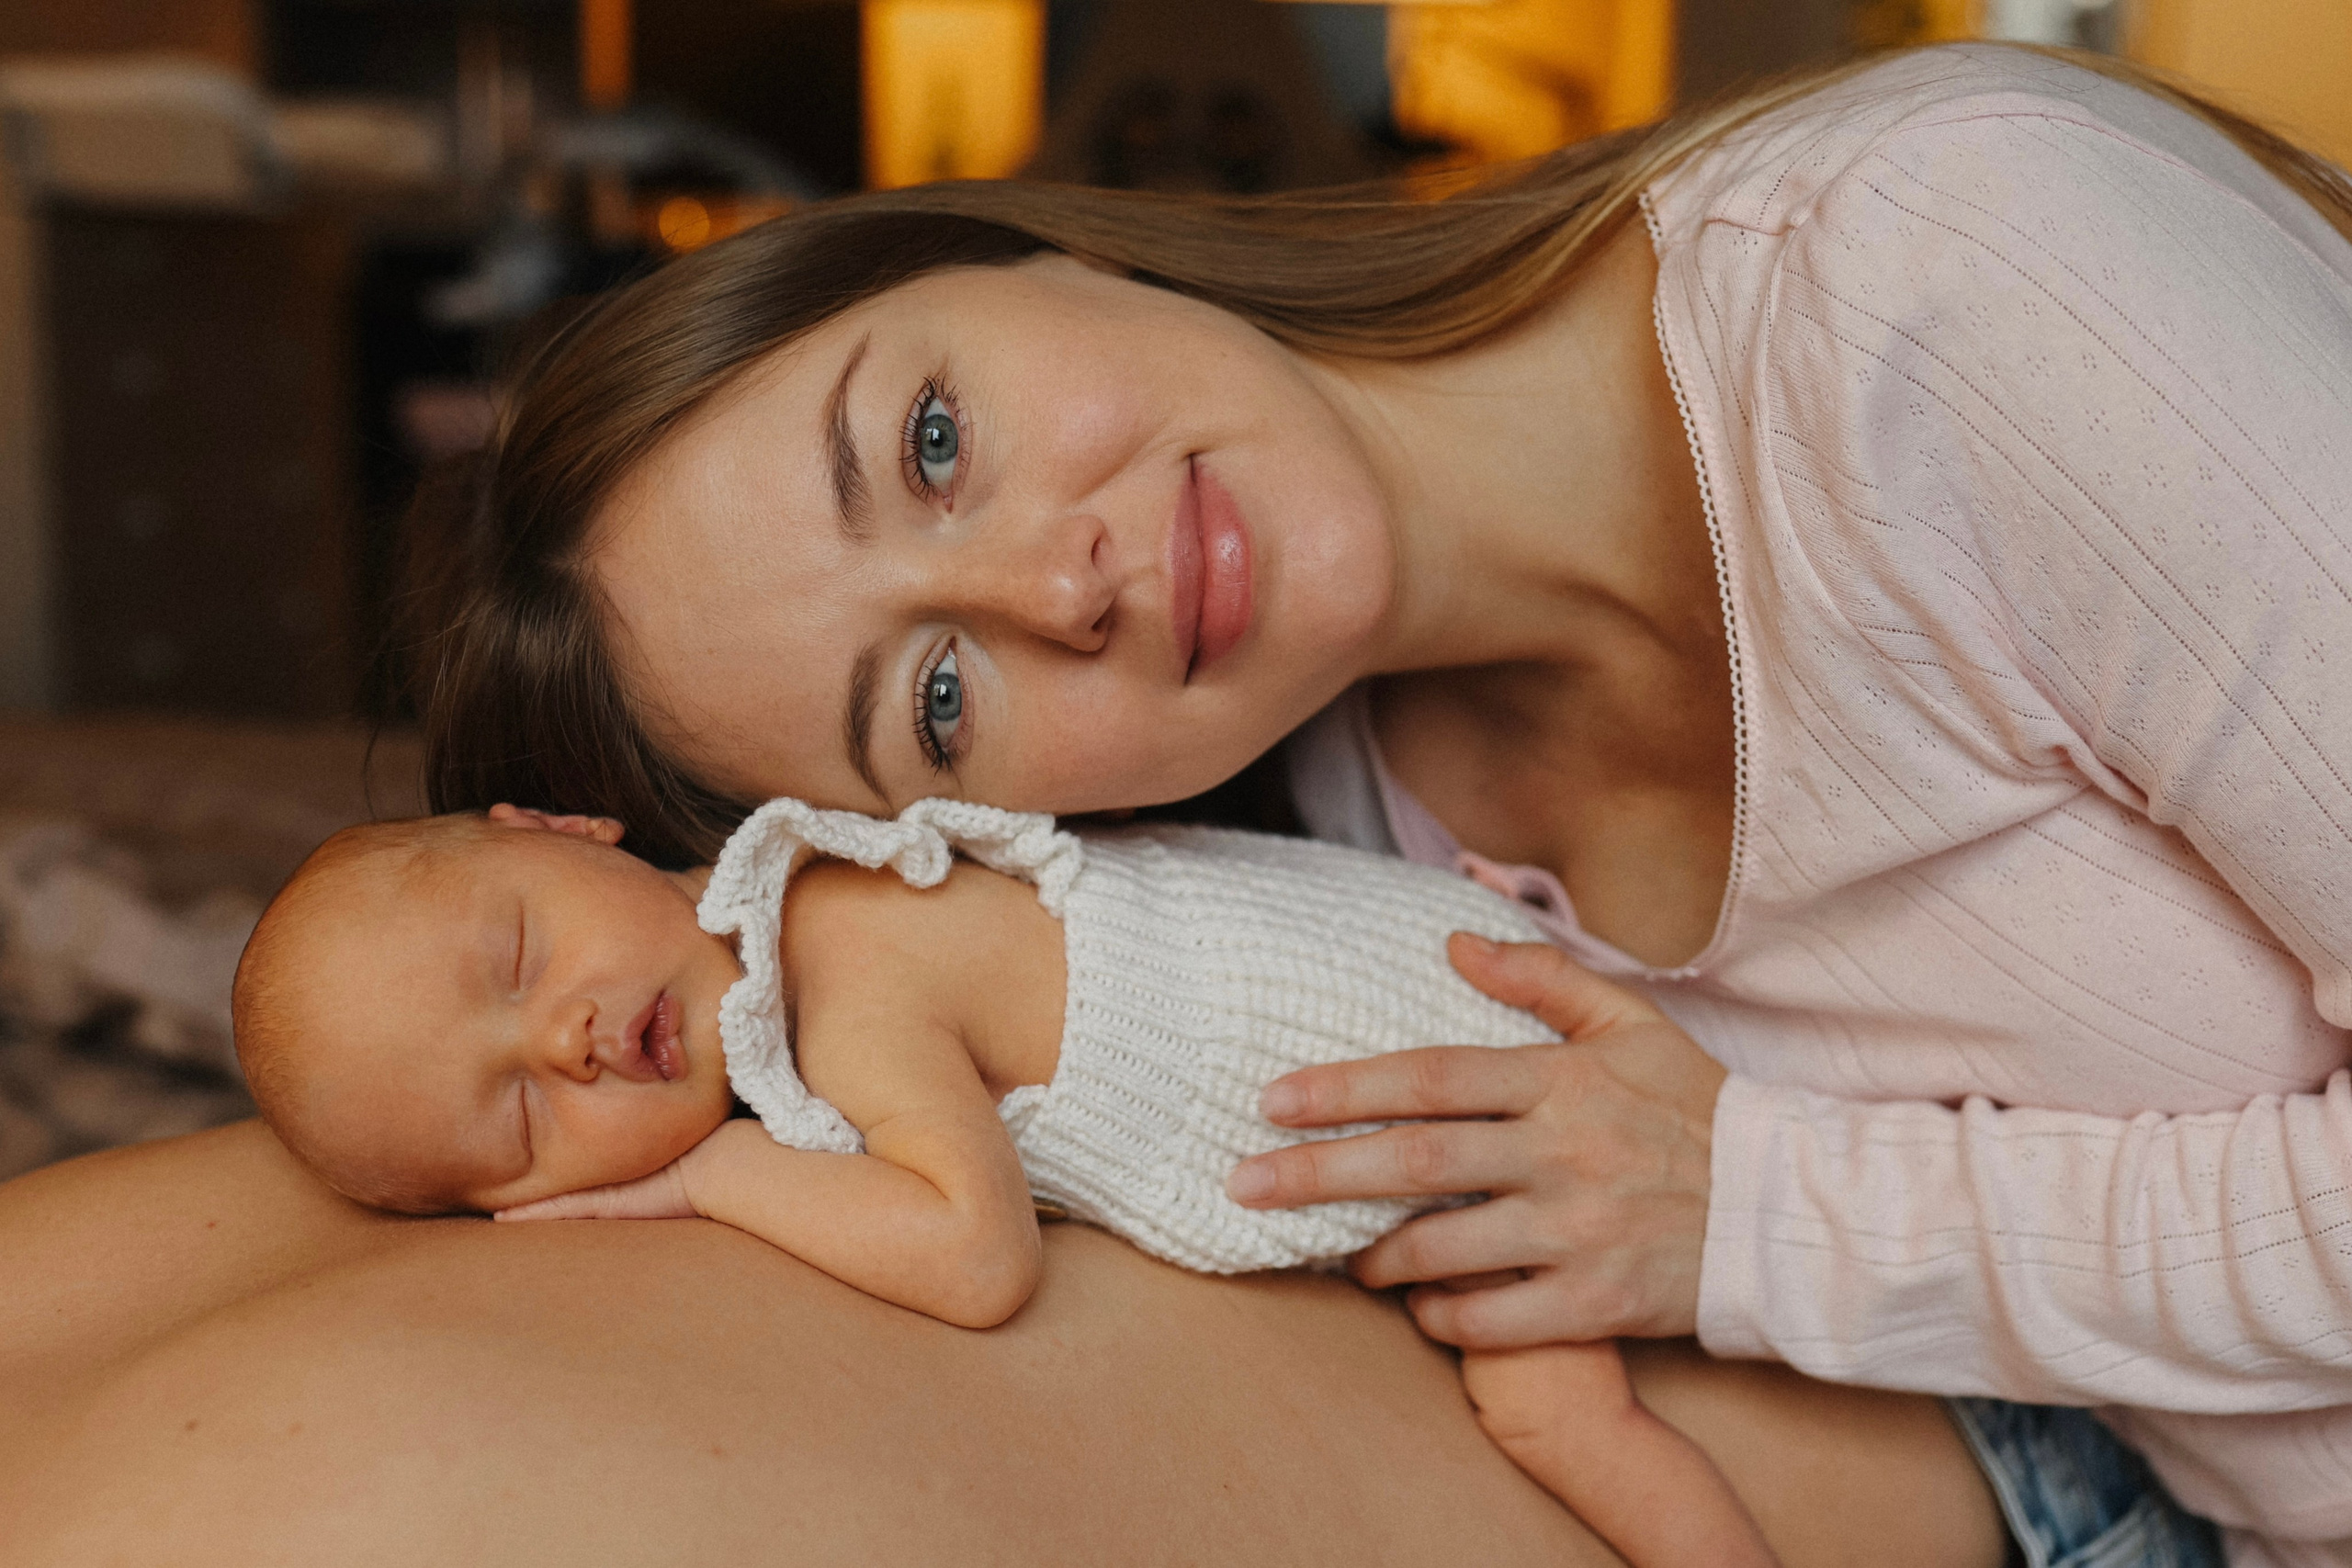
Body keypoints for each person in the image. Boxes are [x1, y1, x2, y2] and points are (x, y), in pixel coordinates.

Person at [2, 39, 2341, 1565]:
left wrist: (1759, 1218)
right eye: (930, 699)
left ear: (996, 245)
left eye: (927, 436)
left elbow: (1753, 1219)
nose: (1057, 578)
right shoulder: (1306, 783)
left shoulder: (1940, 294)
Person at [232, 795, 1804, 1566]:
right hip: (1463, 1024)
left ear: (562, 825)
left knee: (1557, 1417)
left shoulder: (847, 967)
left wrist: (712, 1176)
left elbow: (977, 1258)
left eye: (517, 953)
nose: (564, 1038)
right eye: (515, 1122)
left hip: (1480, 1076)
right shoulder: (814, 918)